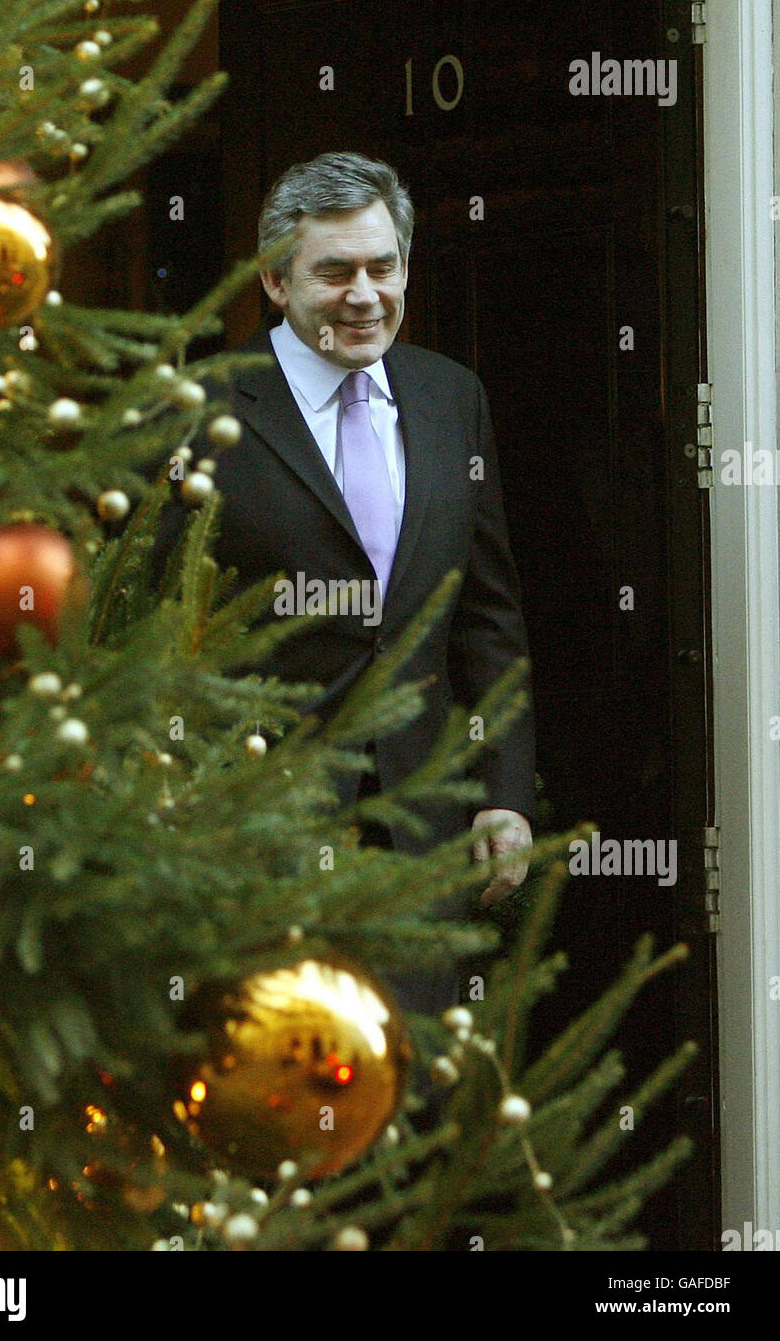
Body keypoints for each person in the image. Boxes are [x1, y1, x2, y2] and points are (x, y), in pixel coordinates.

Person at [150, 151, 535, 1013]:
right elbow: (152, 627)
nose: (364, 294)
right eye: (334, 272)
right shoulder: (198, 411)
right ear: (276, 284)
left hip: (420, 834)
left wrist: (503, 798)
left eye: (382, 266)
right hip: (255, 841)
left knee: (414, 1100)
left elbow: (485, 619)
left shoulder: (450, 398)